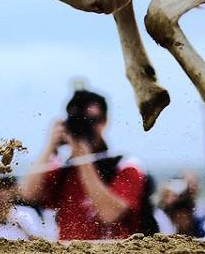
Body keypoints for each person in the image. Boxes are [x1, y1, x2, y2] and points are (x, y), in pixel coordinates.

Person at [19, 89, 148, 239]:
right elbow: (27, 193)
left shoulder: (125, 165)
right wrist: (50, 146)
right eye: (79, 121)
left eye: (93, 120)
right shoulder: (65, 170)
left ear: (105, 121)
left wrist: (83, 159)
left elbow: (109, 213)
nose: (86, 127)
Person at [0, 176, 52, 242]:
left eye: (6, 188)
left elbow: (40, 241)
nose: (2, 193)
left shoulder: (26, 214)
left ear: (14, 190)